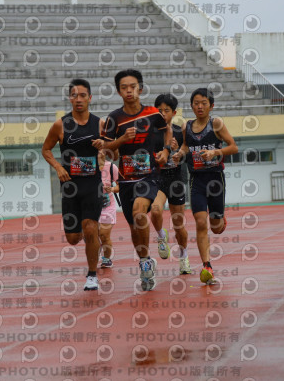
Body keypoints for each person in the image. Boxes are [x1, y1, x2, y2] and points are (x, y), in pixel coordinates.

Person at [102, 69, 172, 291]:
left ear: (140, 89)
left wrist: (167, 151)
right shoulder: (114, 118)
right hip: (125, 179)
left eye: (132, 87)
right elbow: (106, 148)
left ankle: (146, 259)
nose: (129, 91)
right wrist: (121, 139)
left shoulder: (153, 113)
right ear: (119, 91)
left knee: (139, 212)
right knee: (134, 226)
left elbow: (168, 131)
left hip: (149, 175)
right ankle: (145, 261)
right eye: (124, 88)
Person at [42, 79, 107, 291]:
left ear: (90, 98)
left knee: (90, 227)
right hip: (70, 186)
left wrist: (104, 147)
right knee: (72, 238)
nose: (78, 99)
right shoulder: (60, 125)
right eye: (74, 95)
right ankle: (91, 238)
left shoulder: (100, 124)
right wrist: (58, 168)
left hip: (92, 184)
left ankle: (92, 275)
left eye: (82, 95)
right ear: (70, 98)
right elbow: (46, 150)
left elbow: (114, 152)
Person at [173, 88, 238, 285]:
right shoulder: (187, 126)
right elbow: (186, 145)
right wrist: (180, 153)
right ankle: (207, 266)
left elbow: (233, 147)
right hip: (197, 180)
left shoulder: (216, 124)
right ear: (191, 106)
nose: (199, 107)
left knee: (216, 228)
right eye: (196, 103)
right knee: (201, 223)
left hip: (215, 179)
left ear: (211, 106)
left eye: (203, 103)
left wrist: (215, 152)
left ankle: (220, 219)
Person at [149, 94, 191, 275]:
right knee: (155, 210)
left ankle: (184, 257)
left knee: (178, 224)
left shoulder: (180, 132)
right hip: (158, 178)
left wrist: (177, 150)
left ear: (174, 113)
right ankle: (161, 235)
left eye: (166, 110)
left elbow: (188, 155)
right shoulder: (150, 132)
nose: (163, 114)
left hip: (176, 179)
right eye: (159, 110)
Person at [98, 150, 119, 268]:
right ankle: (95, 248)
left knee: (104, 235)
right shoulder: (88, 167)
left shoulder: (111, 167)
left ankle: (106, 259)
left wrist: (112, 189)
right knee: (91, 235)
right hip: (90, 205)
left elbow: (120, 185)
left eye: (102, 150)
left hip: (107, 206)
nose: (100, 153)